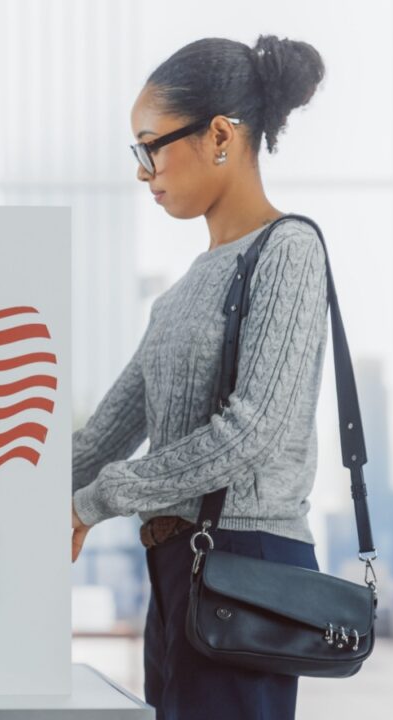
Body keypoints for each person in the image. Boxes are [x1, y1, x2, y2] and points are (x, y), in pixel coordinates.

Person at [69, 34, 330, 719]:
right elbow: (105, 436)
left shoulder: (290, 250)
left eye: (150, 145)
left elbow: (251, 431)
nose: (142, 169)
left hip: (245, 567)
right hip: (178, 567)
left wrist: (97, 501)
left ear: (219, 134)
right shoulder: (183, 291)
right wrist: (5, 496)